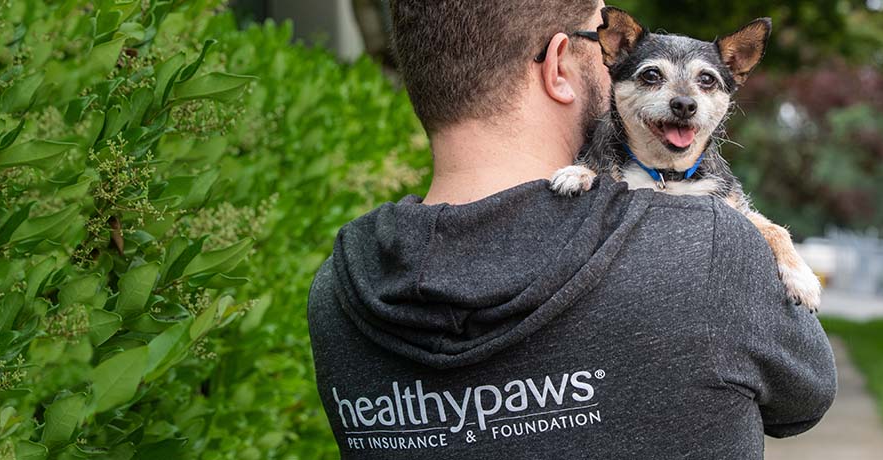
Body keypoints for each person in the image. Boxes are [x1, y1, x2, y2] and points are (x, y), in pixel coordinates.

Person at [306, 1, 837, 458]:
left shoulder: (334, 296)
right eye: (598, 42)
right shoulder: (712, 251)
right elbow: (806, 398)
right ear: (559, 65)